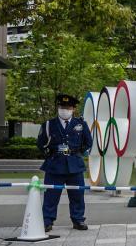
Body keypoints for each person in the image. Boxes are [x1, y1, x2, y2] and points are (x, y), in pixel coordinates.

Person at [36, 94, 93, 232]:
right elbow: (40, 143)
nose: (64, 110)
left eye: (67, 107)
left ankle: (78, 220)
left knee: (77, 195)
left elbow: (89, 142)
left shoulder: (81, 124)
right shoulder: (49, 124)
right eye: (61, 107)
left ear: (73, 109)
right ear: (58, 108)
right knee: (51, 196)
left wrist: (78, 151)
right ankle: (47, 221)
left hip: (75, 166)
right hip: (55, 165)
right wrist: (50, 152)